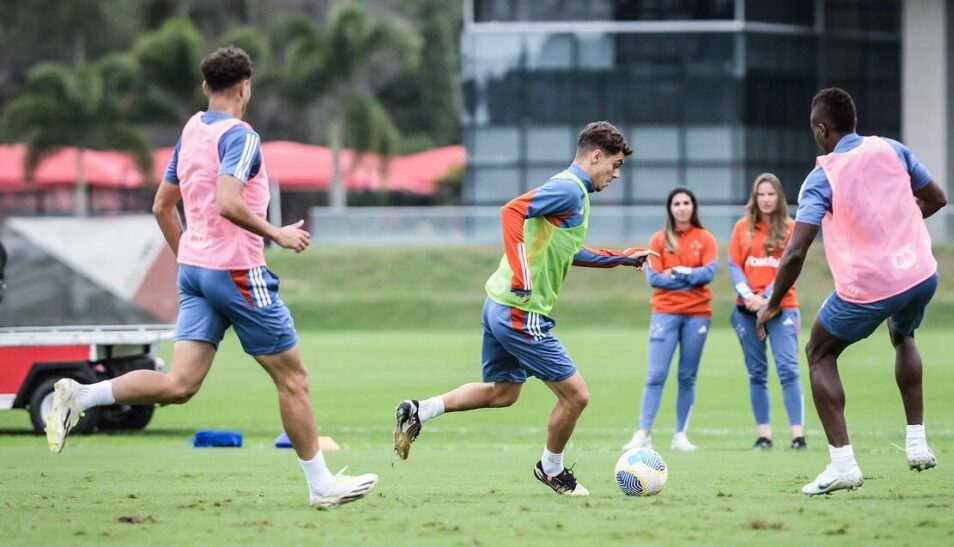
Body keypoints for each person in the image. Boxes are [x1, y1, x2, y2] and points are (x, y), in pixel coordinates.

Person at [44, 46, 378, 509]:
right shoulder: (241, 137)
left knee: (180, 384)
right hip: (238, 272)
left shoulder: (192, 129)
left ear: (206, 88)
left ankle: (81, 395)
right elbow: (228, 201)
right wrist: (275, 233)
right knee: (294, 379)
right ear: (245, 87)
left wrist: (190, 258)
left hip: (196, 273)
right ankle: (321, 485)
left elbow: (162, 205)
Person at [393, 121, 655, 496]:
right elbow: (511, 212)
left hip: (498, 304)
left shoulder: (574, 194)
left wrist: (621, 259)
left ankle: (420, 410)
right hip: (521, 309)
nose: (616, 174)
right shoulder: (568, 188)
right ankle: (551, 469)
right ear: (595, 156)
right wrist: (521, 273)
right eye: (614, 164)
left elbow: (568, 252)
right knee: (576, 396)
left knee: (504, 393)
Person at [756, 87, 947, 496]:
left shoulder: (822, 175)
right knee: (904, 335)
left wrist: (772, 303)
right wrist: (898, 233)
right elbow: (936, 198)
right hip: (920, 274)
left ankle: (843, 464)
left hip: (871, 286)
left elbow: (795, 250)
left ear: (823, 130)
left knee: (819, 352)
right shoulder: (892, 149)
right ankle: (916, 444)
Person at [622, 187, 718, 453]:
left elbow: (708, 273)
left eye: (687, 202)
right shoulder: (658, 239)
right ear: (670, 208)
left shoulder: (705, 238)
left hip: (698, 315)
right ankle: (643, 433)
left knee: (687, 376)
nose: (682, 207)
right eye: (677, 203)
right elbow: (654, 278)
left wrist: (679, 273)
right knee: (655, 375)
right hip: (664, 313)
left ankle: (680, 435)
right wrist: (688, 278)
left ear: (693, 206)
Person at [727, 173, 806, 450]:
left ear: (779, 197)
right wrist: (749, 296)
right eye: (761, 194)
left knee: (788, 370)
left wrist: (767, 298)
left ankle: (797, 436)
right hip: (746, 311)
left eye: (771, 194)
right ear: (755, 197)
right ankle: (765, 436)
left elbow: (790, 267)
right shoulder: (741, 228)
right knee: (757, 373)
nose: (766, 199)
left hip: (782, 309)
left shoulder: (790, 227)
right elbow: (734, 264)